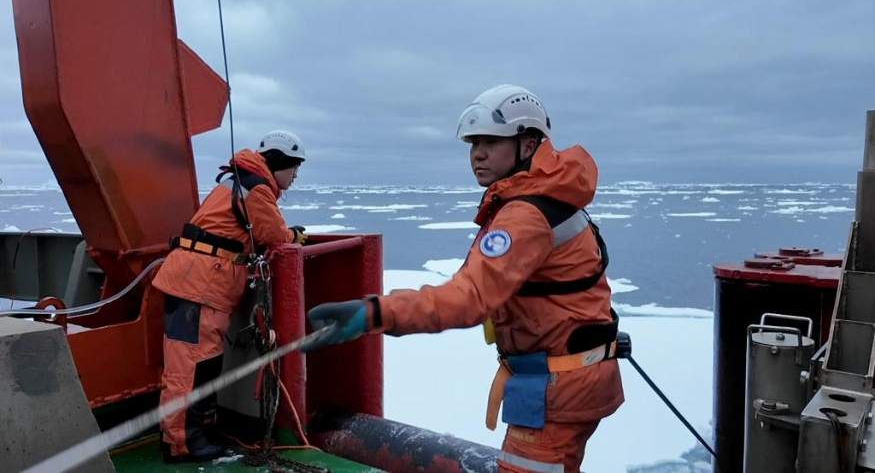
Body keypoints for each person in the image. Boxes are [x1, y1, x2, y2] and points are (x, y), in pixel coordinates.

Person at [303, 85, 624, 473]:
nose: (478, 154)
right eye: (474, 144)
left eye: (491, 142)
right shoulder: (549, 194)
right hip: (571, 371)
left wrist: (374, 313)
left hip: (558, 384)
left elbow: (469, 297)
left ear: (528, 145)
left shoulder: (526, 215)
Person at [153, 130, 308, 462]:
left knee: (192, 364)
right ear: (278, 162)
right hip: (200, 285)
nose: (296, 175)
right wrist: (294, 235)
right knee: (193, 366)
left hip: (192, 281)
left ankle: (181, 434)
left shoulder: (240, 181)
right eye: (294, 167)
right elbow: (273, 233)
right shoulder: (257, 189)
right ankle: (182, 443)